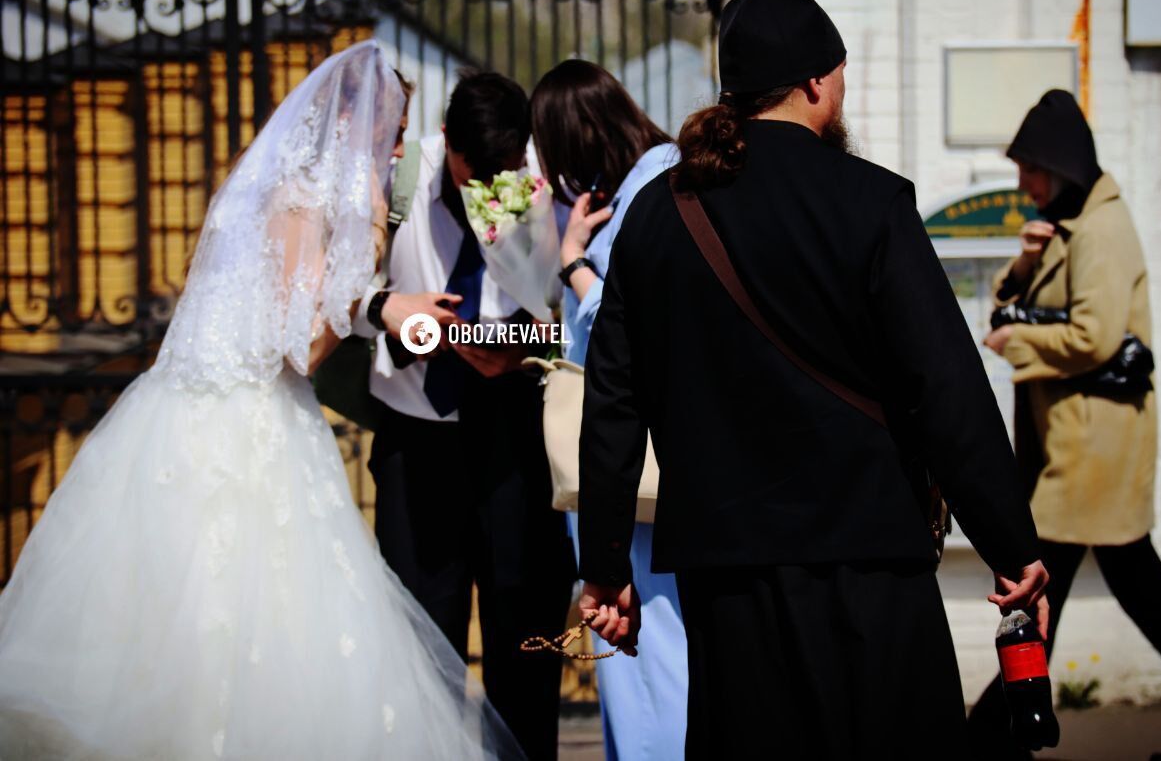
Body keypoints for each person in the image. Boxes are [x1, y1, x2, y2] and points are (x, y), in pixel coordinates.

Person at [0, 41, 523, 759]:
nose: (400, 149)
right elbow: (299, 350)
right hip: (249, 424)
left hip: (196, 411)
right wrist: (377, 286)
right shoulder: (309, 202)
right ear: (359, 125)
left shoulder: (276, 186)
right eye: (394, 131)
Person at [575, 0, 1049, 758]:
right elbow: (945, 387)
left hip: (724, 569)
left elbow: (613, 402)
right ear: (818, 83)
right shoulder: (872, 202)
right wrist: (1010, 541)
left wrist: (602, 564)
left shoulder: (659, 213)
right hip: (869, 554)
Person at [969, 89, 1161, 761]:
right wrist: (1029, 261)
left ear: (1061, 164)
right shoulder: (1073, 225)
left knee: (1039, 594)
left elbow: (1095, 338)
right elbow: (1017, 302)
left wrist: (1020, 346)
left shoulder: (1100, 230)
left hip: (1089, 450)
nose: (1023, 183)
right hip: (1080, 445)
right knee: (1135, 597)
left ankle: (990, 739)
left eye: (1030, 170)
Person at [352, 70, 575, 761]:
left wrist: (523, 347)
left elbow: (577, 321)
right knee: (422, 643)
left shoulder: (550, 183)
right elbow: (339, 298)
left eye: (505, 172)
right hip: (419, 439)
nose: (489, 192)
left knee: (526, 642)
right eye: (474, 174)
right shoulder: (398, 180)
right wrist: (413, 324)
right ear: (445, 140)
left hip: (518, 437)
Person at [530, 59, 687, 760]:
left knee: (648, 640)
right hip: (631, 455)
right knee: (640, 637)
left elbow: (639, 321)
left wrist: (573, 263)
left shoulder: (654, 184)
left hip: (636, 460)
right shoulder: (634, 187)